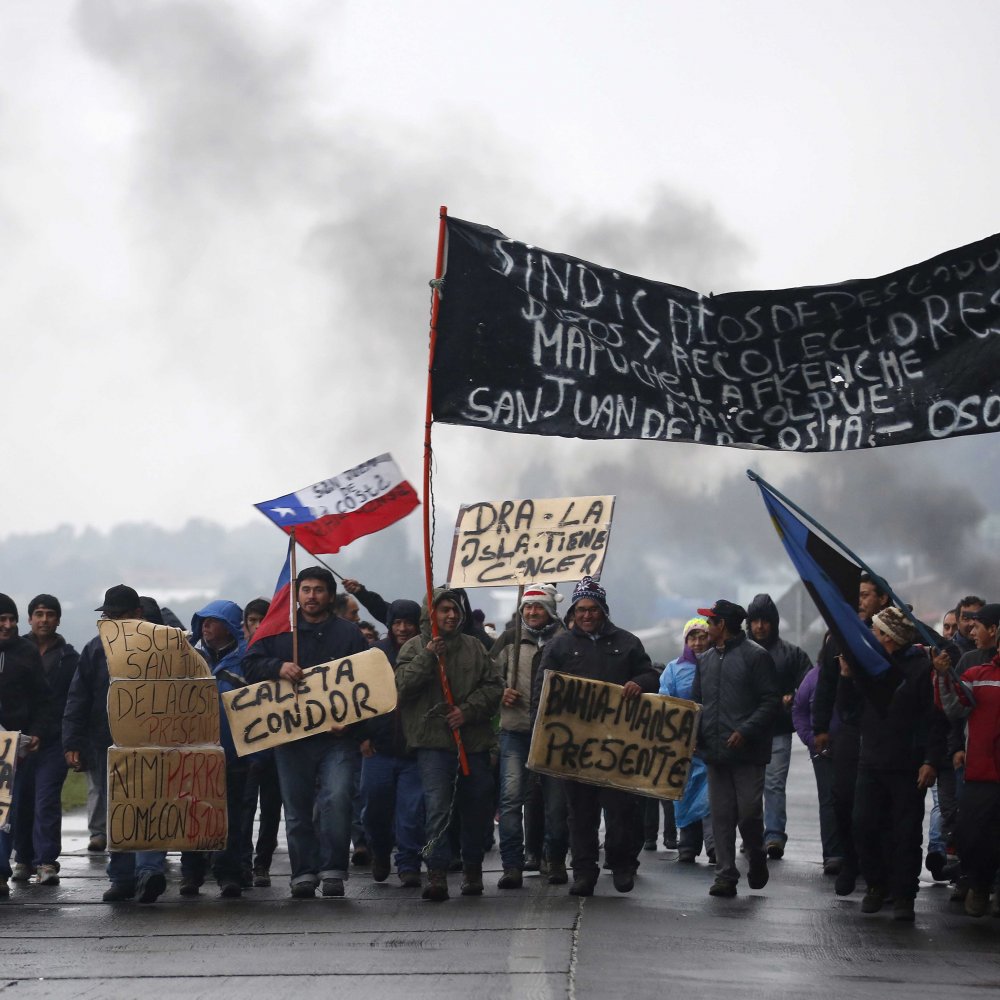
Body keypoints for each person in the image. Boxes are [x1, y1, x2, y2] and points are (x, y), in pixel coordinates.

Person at [243, 567, 370, 898]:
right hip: (291, 737)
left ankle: (332, 870)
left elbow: (364, 683)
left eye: (318, 590)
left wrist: (354, 723)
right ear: (297, 595)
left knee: (338, 799)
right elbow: (250, 664)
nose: (312, 596)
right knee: (297, 808)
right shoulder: (278, 631)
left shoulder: (349, 634)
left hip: (338, 738)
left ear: (330, 595)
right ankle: (303, 872)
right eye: (306, 590)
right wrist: (278, 667)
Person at [534, 576, 661, 897]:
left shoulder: (628, 642)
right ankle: (584, 873)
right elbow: (542, 690)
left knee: (620, 810)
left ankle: (621, 865)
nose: (587, 615)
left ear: (603, 610)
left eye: (593, 609)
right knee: (580, 814)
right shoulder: (559, 646)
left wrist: (640, 683)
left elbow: (650, 675)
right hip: (574, 746)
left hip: (617, 746)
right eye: (581, 610)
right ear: (573, 613)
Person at [395, 588, 503, 902]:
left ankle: (472, 870)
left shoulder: (474, 646)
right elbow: (401, 688)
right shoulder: (414, 648)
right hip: (433, 742)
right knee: (437, 810)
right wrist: (429, 656)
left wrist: (466, 712)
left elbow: (495, 685)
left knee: (475, 807)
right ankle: (437, 872)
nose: (451, 616)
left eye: (455, 610)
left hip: (474, 743)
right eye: (443, 610)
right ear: (431, 614)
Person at [63, 585, 168, 903]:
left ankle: (148, 871)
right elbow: (78, 697)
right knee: (117, 812)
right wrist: (72, 741)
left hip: (155, 742)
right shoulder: (96, 649)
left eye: (118, 615)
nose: (113, 620)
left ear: (137, 613)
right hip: (106, 744)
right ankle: (122, 877)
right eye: (109, 615)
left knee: (151, 808)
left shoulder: (165, 646)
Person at [841, 606, 940, 922]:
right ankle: (875, 886)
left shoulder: (922, 668)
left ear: (889, 636)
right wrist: (846, 678)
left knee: (906, 833)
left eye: (877, 630)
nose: (872, 634)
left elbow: (933, 718)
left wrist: (930, 760)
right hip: (871, 761)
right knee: (863, 825)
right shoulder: (870, 666)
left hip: (908, 766)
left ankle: (904, 896)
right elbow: (850, 712)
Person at [692, 599, 780, 899]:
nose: (706, 627)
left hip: (748, 754)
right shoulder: (703, 660)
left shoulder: (756, 657)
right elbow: (696, 705)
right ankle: (725, 875)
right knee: (721, 816)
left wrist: (746, 730)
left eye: (710, 622)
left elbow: (770, 700)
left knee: (749, 814)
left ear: (723, 626)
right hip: (715, 753)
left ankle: (756, 856)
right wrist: (693, 736)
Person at [811, 572, 891, 896]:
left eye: (867, 595)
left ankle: (879, 869)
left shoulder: (890, 640)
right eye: (857, 595)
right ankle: (849, 860)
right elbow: (825, 687)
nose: (860, 601)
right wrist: (819, 728)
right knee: (841, 798)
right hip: (848, 728)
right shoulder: (838, 637)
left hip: (881, 732)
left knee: (876, 807)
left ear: (882, 599)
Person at [492, 583, 567, 888]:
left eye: (538, 606)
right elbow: (486, 674)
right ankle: (512, 864)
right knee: (510, 800)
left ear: (550, 610)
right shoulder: (509, 640)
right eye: (528, 607)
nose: (533, 612)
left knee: (556, 803)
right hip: (515, 732)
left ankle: (555, 859)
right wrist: (500, 691)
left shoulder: (566, 641)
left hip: (554, 735)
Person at [179, 600, 249, 899]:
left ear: (230, 626)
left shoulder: (248, 660)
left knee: (231, 816)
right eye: (202, 621)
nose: (205, 626)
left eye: (212, 621)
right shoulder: (187, 659)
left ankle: (228, 874)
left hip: (234, 753)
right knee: (191, 812)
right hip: (193, 752)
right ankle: (191, 874)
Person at [933, 621, 1000, 917]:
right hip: (981, 774)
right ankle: (980, 884)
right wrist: (943, 675)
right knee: (971, 836)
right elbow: (953, 707)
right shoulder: (978, 675)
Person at [12, 595, 79, 886]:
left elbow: (75, 700)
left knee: (46, 800)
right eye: (38, 614)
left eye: (50, 614)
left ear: (58, 619)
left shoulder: (69, 658)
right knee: (19, 801)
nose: (44, 619)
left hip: (53, 741)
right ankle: (23, 859)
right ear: (29, 618)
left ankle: (47, 861)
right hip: (18, 740)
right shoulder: (15, 653)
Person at [359, 599, 425, 887]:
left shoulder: (427, 653)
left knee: (411, 811)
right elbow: (357, 697)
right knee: (374, 808)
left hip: (415, 748)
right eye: (397, 623)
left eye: (408, 622)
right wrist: (361, 735)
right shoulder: (374, 655)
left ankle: (409, 862)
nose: (402, 628)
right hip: (378, 748)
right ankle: (380, 851)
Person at [746, 594, 812, 860]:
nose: (760, 626)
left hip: (778, 731)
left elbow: (809, 683)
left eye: (765, 621)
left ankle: (773, 835)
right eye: (755, 621)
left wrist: (794, 696)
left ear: (773, 623)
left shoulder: (792, 654)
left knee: (773, 784)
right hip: (747, 732)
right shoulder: (739, 652)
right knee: (748, 789)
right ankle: (751, 835)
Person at [0, 594, 52, 899]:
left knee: (3, 813)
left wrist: (36, 732)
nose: (8, 626)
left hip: (9, 745)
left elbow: (42, 698)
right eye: (1, 620)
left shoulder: (26, 652)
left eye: (11, 619)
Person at [659, 618, 714, 863]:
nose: (698, 642)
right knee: (685, 794)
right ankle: (688, 844)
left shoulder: (718, 665)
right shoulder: (673, 669)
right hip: (683, 746)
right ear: (686, 641)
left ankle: (715, 846)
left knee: (713, 797)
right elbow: (665, 701)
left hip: (712, 743)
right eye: (693, 637)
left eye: (703, 636)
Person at [239, 596, 282, 888]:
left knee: (270, 808)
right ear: (243, 626)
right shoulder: (236, 657)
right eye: (251, 621)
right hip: (243, 749)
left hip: (276, 745)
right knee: (243, 807)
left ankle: (262, 863)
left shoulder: (281, 655)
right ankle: (240, 861)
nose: (256, 626)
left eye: (260, 621)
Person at [791, 662, 844, 875]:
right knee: (829, 799)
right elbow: (799, 709)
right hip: (824, 752)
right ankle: (833, 853)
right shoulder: (813, 677)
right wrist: (810, 739)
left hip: (855, 749)